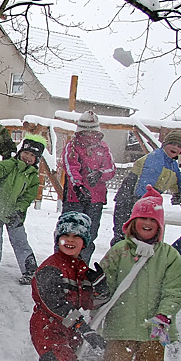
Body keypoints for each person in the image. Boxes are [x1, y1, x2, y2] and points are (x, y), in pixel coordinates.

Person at [83, 185, 181, 361]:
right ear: (133, 221)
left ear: (160, 225)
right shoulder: (120, 251)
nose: (147, 223)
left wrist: (165, 314)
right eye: (143, 218)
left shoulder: (170, 256)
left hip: (155, 329)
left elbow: (175, 289)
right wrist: (97, 287)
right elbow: (105, 283)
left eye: (153, 219)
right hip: (121, 326)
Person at [19, 211, 108, 361]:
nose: (70, 240)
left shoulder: (81, 270)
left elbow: (90, 303)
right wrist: (82, 328)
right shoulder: (51, 267)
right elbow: (54, 304)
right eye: (65, 235)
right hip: (47, 329)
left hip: (68, 333)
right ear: (58, 238)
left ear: (84, 242)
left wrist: (101, 289)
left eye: (77, 236)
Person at [0, 134, 46, 284]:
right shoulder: (10, 165)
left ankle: (29, 269)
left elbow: (28, 197)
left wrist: (20, 209)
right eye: (26, 153)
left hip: (15, 215)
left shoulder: (33, 177)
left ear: (37, 159)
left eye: (32, 155)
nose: (28, 157)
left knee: (20, 241)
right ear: (20, 152)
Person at [59, 110, 117, 264]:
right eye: (85, 132)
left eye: (91, 131)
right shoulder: (72, 146)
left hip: (96, 199)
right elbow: (71, 168)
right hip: (74, 198)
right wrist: (78, 186)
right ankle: (62, 266)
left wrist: (99, 174)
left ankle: (81, 267)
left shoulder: (103, 148)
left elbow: (111, 169)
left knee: (89, 235)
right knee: (68, 232)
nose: (88, 135)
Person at [111, 130, 181, 247]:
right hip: (130, 196)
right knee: (125, 233)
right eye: (172, 143)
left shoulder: (172, 164)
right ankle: (117, 259)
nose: (175, 147)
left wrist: (177, 193)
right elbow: (145, 181)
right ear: (164, 145)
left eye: (179, 146)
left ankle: (133, 260)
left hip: (145, 200)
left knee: (140, 236)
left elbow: (176, 181)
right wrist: (141, 202)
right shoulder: (156, 158)